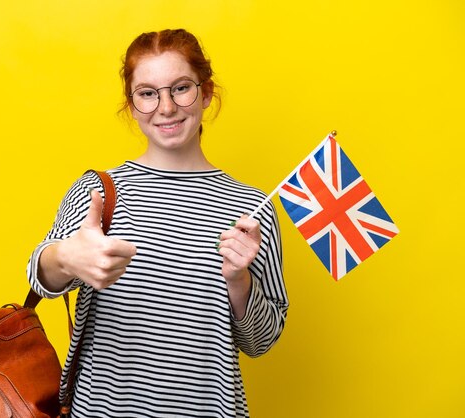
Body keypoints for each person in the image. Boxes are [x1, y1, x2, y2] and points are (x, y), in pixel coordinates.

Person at [27, 29, 288, 417]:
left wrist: (240, 281)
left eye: (180, 88)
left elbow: (260, 341)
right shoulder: (99, 191)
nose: (166, 107)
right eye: (147, 93)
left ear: (206, 92)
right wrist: (65, 258)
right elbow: (39, 277)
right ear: (131, 105)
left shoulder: (252, 209)